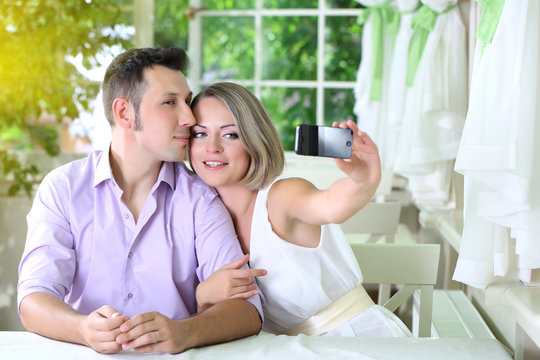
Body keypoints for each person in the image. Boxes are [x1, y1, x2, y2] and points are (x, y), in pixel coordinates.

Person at [17, 48, 265, 355]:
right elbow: (33, 297)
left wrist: (184, 332)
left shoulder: (201, 198)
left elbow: (249, 309)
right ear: (124, 113)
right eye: (170, 103)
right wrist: (82, 329)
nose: (190, 118)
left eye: (187, 102)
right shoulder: (63, 189)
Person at [189, 82, 412, 337]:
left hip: (358, 339)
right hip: (290, 349)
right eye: (199, 133)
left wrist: (363, 181)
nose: (212, 147)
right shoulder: (204, 217)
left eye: (230, 135)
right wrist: (203, 296)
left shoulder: (281, 196)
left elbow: (331, 206)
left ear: (253, 140)